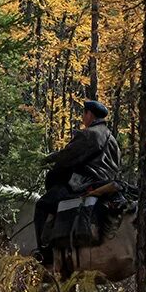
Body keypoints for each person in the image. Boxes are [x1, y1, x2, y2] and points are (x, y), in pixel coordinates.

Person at [34, 99, 121, 263]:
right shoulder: (113, 141)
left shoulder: (89, 134)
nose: (83, 117)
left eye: (84, 113)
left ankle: (43, 252)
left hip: (84, 182)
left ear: (89, 114)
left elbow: (68, 156)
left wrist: (48, 160)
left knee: (43, 204)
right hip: (106, 183)